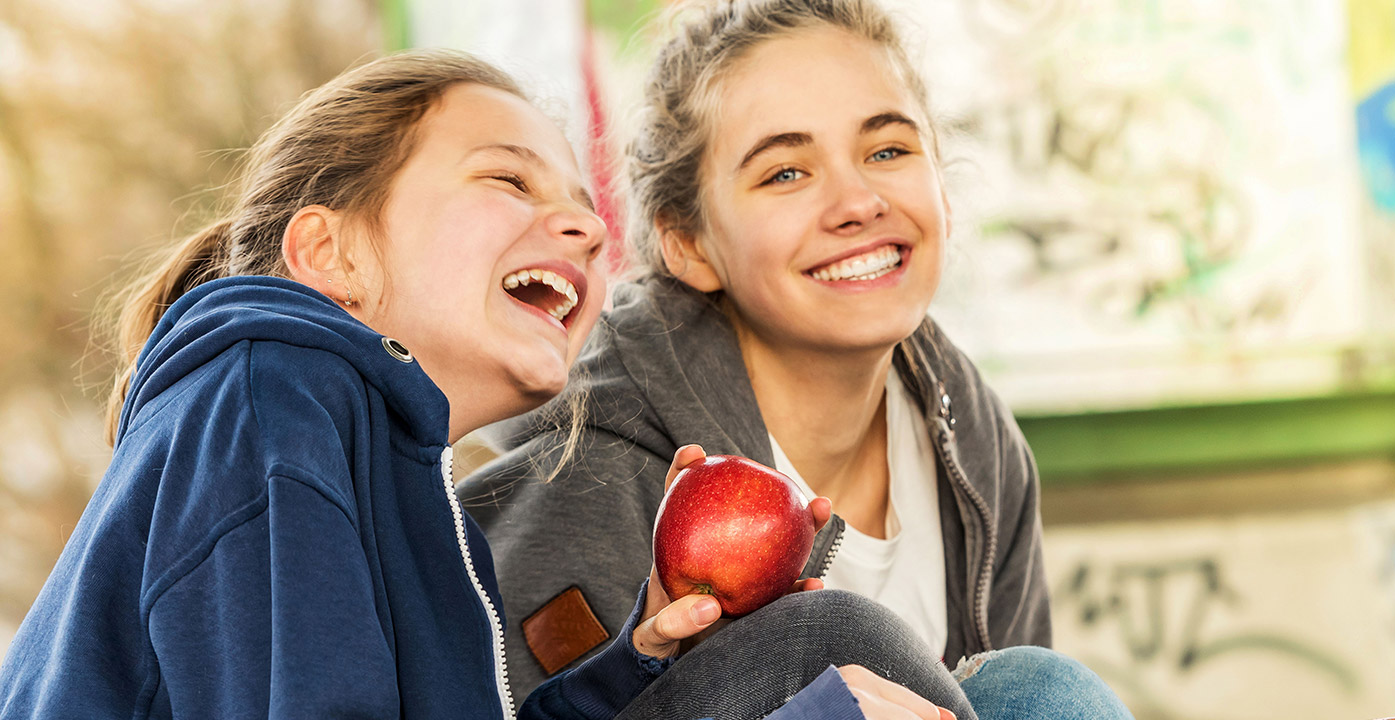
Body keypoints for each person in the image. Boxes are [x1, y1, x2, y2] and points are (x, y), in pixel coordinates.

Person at [0, 49, 969, 720]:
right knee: (835, 650)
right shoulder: (268, 394)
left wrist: (638, 658)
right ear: (328, 250)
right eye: (510, 182)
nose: (589, 232)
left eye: (584, 210)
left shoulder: (408, 486)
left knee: (994, 680)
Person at [460, 0, 1092, 713]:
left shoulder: (971, 436)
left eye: (888, 151)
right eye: (786, 173)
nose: (858, 200)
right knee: (836, 634)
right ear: (688, 244)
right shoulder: (592, 472)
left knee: (1037, 687)